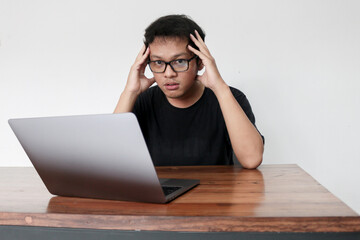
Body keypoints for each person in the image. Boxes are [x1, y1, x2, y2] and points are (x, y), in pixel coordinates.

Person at [114, 14, 264, 169]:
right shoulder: (142, 101)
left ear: (200, 62)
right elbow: (110, 160)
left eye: (179, 61)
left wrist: (220, 87)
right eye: (158, 62)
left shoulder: (229, 97)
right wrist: (130, 92)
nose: (169, 73)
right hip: (160, 192)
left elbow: (251, 159)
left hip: (215, 191)